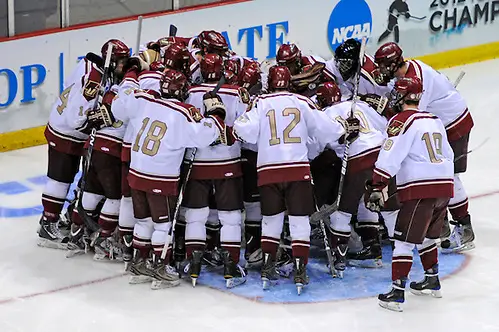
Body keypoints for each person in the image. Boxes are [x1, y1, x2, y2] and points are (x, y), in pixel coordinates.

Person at [233, 65, 359, 294]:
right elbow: (325, 128)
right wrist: (343, 128)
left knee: (271, 221)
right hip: (297, 170)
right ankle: (301, 269)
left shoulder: (260, 103)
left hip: (268, 171)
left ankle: (267, 268)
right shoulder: (301, 101)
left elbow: (244, 131)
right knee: (299, 221)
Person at [126, 69, 230, 289]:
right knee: (163, 225)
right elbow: (204, 136)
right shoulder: (183, 113)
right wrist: (216, 114)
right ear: (182, 90)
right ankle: (161, 267)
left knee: (143, 221)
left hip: (136, 172)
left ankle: (139, 262)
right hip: (160, 177)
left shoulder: (145, 101)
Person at [365, 77, 454, 312]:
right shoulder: (435, 120)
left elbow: (390, 156)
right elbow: (449, 154)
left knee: (403, 241)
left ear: (402, 96)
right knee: (426, 237)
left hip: (420, 188)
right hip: (444, 186)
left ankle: (396, 293)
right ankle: (432, 279)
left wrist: (377, 184)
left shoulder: (401, 121)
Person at [375, 42, 475, 252]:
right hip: (438, 125)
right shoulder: (406, 76)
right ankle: (442, 227)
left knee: (450, 175)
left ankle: (465, 229)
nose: (381, 70)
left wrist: (385, 110)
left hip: (453, 124)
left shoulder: (417, 79)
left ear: (394, 64)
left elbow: (410, 114)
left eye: (384, 65)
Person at [39, 39, 130, 250]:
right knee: (60, 180)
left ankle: (62, 218)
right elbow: (76, 117)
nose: (123, 66)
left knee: (72, 179)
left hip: (65, 130)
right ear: (112, 60)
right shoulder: (94, 79)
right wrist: (93, 121)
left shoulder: (91, 67)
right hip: (67, 132)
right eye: (121, 61)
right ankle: (47, 225)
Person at [182, 53, 248, 288]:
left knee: (195, 215)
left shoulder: (189, 92)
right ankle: (231, 265)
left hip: (196, 163)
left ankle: (194, 263)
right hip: (228, 164)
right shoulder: (236, 92)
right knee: (230, 217)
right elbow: (245, 129)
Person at [312, 81, 388, 275]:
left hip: (359, 159)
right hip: (382, 155)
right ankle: (373, 249)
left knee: (342, 212)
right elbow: (384, 126)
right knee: (367, 201)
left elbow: (319, 147)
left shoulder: (325, 115)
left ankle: (339, 259)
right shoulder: (358, 105)